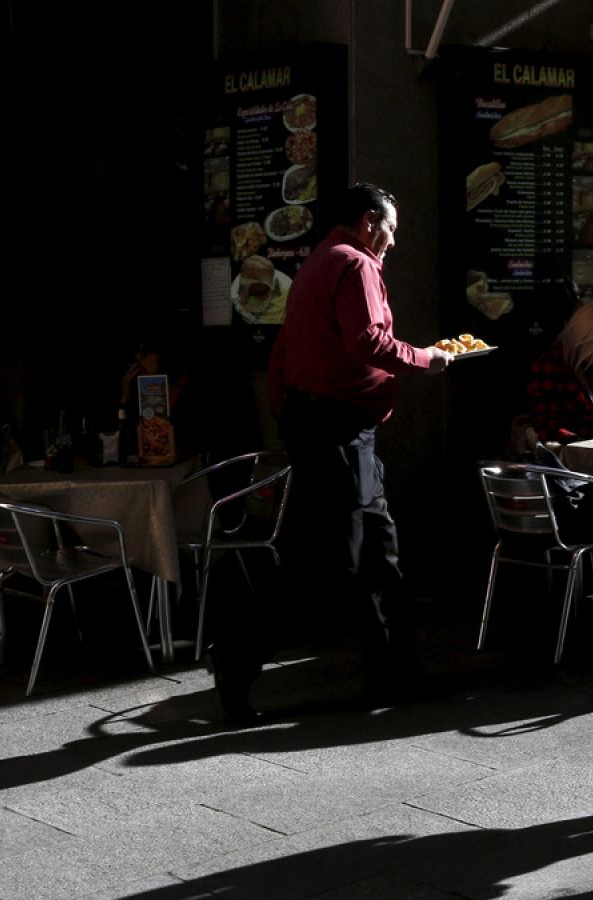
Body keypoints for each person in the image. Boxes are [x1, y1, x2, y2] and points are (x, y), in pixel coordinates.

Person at [210, 182, 454, 726]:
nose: (391, 243)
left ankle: (396, 674)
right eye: (390, 230)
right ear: (370, 222)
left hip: (332, 427)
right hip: (337, 431)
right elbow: (367, 340)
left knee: (379, 555)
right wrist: (425, 358)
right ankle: (236, 655)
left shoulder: (319, 260)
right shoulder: (356, 263)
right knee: (326, 559)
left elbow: (286, 350)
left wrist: (288, 412)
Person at [524, 299, 593, 442]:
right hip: (565, 459)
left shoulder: (588, 370)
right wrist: (583, 441)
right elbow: (547, 429)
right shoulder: (550, 366)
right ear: (588, 336)